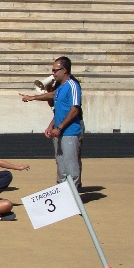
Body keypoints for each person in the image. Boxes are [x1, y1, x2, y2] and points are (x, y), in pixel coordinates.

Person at [47, 57, 83, 189]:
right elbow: (59, 110)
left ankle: (73, 198)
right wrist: (52, 125)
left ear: (64, 70)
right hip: (60, 131)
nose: (53, 73)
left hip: (70, 132)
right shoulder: (60, 88)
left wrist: (60, 127)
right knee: (61, 165)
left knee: (71, 166)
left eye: (55, 70)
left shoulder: (72, 85)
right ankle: (63, 194)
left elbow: (74, 110)